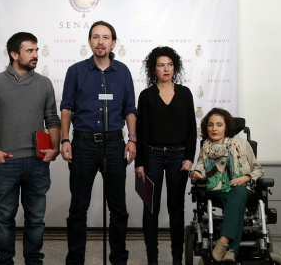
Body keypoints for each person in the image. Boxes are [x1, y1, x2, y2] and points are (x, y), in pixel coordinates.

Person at [0, 32, 60, 265]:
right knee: (4, 217)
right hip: (7, 162)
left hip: (37, 162)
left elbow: (52, 119)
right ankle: (4, 261)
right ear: (14, 54)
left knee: (36, 218)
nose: (36, 55)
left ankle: (34, 261)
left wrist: (54, 149)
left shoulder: (44, 83)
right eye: (29, 51)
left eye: (36, 50)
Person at [60, 20, 137, 265]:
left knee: (118, 208)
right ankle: (75, 260)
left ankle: (118, 259)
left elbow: (130, 109)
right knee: (77, 208)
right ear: (90, 41)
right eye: (95, 37)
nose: (100, 41)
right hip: (83, 144)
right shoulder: (76, 71)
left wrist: (132, 139)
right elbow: (66, 109)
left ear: (114, 43)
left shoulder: (123, 71)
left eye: (105, 37)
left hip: (115, 144)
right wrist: (64, 139)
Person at [134, 46, 197, 265]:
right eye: (161, 65)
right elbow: (141, 131)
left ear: (175, 67)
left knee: (176, 208)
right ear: (153, 69)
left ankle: (177, 258)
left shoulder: (185, 93)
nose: (166, 69)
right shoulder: (145, 95)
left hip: (179, 157)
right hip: (152, 156)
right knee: (150, 207)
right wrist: (139, 162)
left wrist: (190, 156)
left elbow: (192, 127)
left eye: (170, 64)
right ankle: (152, 258)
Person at [190, 107, 264, 263]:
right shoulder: (205, 148)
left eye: (219, 125)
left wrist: (246, 177)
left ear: (226, 127)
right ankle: (231, 251)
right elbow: (199, 168)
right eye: (210, 125)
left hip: (243, 189)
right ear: (206, 127)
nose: (214, 129)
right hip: (217, 191)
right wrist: (195, 174)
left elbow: (258, 170)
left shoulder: (242, 144)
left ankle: (223, 241)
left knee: (239, 191)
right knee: (236, 202)